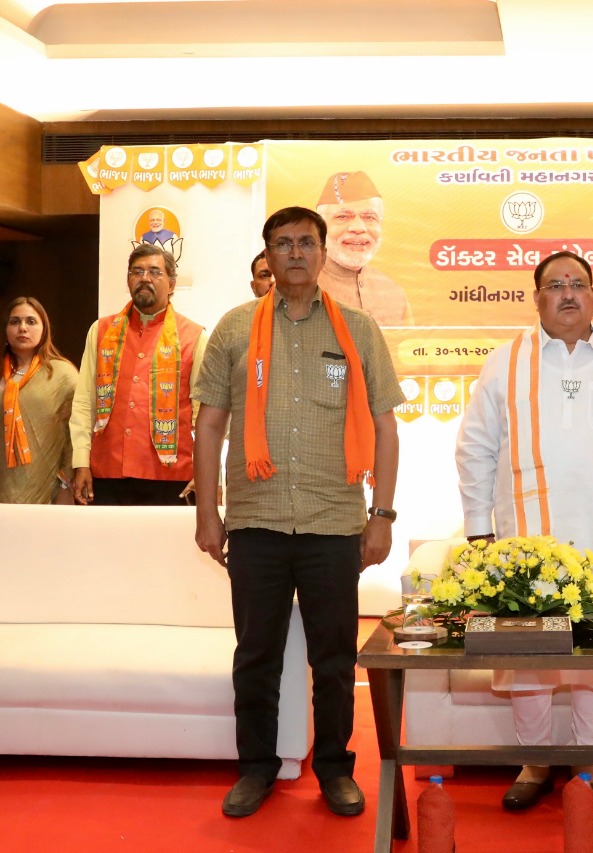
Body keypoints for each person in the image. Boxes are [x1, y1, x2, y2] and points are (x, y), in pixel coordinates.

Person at [193, 206, 404, 819]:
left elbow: (387, 427)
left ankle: (336, 770)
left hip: (334, 523)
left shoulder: (357, 330)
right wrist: (209, 514)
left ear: (321, 251)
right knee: (255, 655)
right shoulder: (234, 330)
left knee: (335, 660)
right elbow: (209, 426)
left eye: (306, 243)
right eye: (282, 244)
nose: (294, 254)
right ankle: (256, 768)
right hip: (255, 521)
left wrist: (383, 513)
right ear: (267, 255)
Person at [457, 250, 593, 815]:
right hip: (524, 541)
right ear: (537, 298)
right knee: (528, 651)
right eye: (555, 285)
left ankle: (586, 760)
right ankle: (534, 760)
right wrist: (480, 530)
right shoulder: (503, 363)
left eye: (578, 284)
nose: (569, 294)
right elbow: (475, 450)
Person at [69, 244, 207, 506]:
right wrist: (80, 462)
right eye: (137, 271)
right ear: (128, 279)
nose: (145, 278)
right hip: (106, 472)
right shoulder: (100, 331)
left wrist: (204, 471)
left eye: (155, 272)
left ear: (172, 283)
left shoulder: (194, 337)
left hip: (172, 477)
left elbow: (204, 415)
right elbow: (84, 401)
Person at [1, 297, 78, 504]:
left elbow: (78, 432)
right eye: (15, 322)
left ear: (44, 330)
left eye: (31, 321)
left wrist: (66, 483)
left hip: (47, 487)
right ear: (6, 330)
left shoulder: (62, 374)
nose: (22, 328)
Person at [315, 170, 414, 326]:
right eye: (343, 217)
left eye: (369, 217)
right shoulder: (297, 285)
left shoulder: (394, 294)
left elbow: (406, 349)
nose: (358, 227)